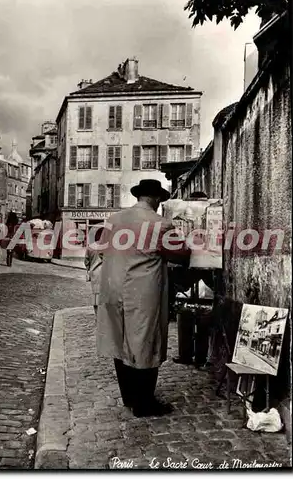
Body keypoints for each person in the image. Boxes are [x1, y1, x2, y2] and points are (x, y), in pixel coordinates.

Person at [96, 179, 190, 418]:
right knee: (145, 343)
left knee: (120, 342)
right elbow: (181, 254)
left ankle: (128, 396)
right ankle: (144, 403)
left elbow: (101, 249)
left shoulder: (114, 220)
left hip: (112, 289)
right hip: (141, 293)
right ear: (157, 199)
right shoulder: (160, 224)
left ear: (139, 197)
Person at [84, 226, 104, 318]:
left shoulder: (90, 247)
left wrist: (88, 269)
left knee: (95, 294)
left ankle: (97, 315)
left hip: (94, 273)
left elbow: (86, 261)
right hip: (105, 272)